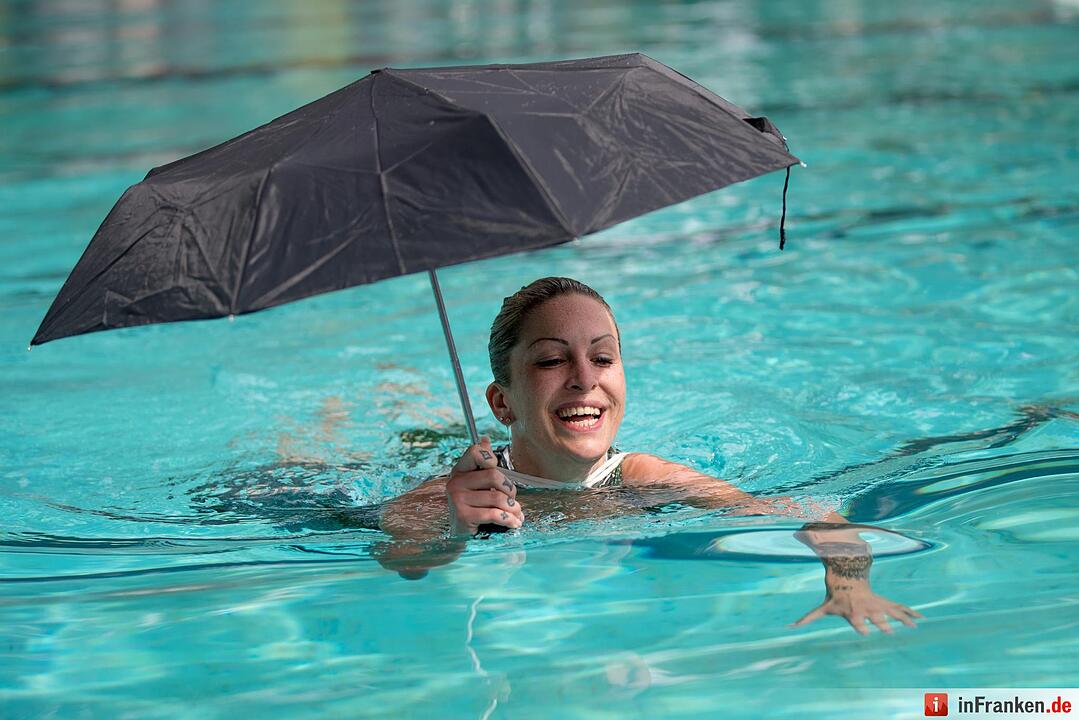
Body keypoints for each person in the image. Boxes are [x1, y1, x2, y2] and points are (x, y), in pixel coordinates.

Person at [376, 277, 923, 635]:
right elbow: (404, 561)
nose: (585, 380)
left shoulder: (642, 477)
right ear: (502, 401)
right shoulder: (455, 492)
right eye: (551, 362)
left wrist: (850, 584)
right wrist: (452, 529)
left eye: (603, 358)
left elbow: (815, 514)